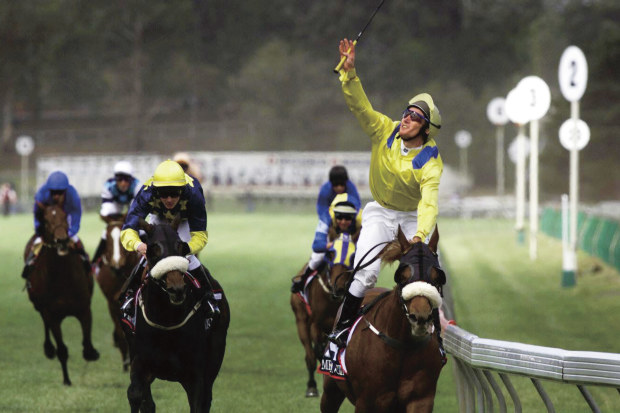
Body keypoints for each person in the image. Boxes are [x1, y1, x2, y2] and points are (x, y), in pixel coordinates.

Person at [328, 39, 445, 360]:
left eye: (415, 117)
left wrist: (421, 234)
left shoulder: (431, 160)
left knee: (430, 274)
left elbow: (429, 203)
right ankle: (339, 334)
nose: (406, 118)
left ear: (426, 129)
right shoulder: (385, 130)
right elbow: (360, 107)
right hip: (380, 213)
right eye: (406, 112)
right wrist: (349, 74)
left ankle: (439, 335)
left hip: (411, 219)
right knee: (365, 273)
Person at [120, 159, 216, 308]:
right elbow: (128, 230)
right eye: (164, 194)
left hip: (183, 219)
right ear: (156, 191)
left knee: (187, 257)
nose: (169, 199)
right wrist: (139, 245)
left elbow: (200, 236)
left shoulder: (194, 194)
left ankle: (209, 297)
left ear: (182, 190)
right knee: (151, 255)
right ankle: (129, 296)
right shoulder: (147, 193)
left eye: (174, 193)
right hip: (158, 217)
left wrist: (186, 248)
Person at [290, 166, 361, 293]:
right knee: (318, 257)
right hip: (332, 230)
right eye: (336, 185)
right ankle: (302, 280)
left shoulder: (359, 215)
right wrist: (333, 244)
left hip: (351, 234)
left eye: (341, 185)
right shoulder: (325, 200)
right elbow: (317, 245)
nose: (339, 188)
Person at [21, 171, 91, 279]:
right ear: (49, 190)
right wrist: (39, 231)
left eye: (60, 192)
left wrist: (71, 233)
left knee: (75, 239)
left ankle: (84, 259)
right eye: (53, 192)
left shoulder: (73, 196)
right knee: (38, 241)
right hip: (49, 218)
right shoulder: (41, 194)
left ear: (65, 190)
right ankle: (30, 261)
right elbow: (37, 214)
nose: (56, 196)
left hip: (65, 216)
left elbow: (76, 217)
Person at [91, 161, 141, 268]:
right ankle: (95, 262)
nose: (123, 183)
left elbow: (135, 211)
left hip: (132, 204)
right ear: (115, 179)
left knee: (140, 231)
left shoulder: (137, 187)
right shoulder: (108, 186)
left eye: (126, 179)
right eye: (119, 179)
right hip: (115, 204)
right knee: (106, 232)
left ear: (131, 180)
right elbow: (107, 211)